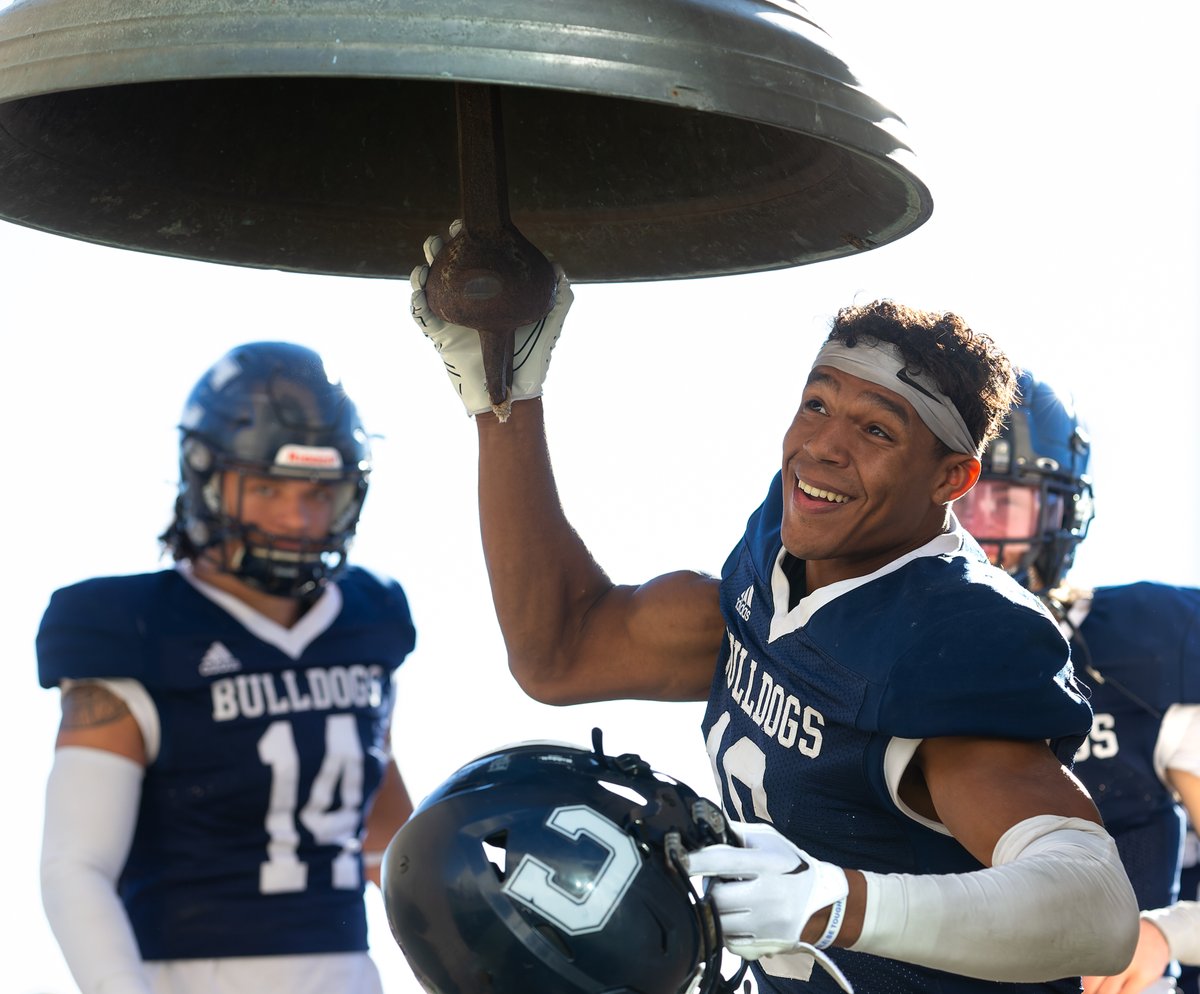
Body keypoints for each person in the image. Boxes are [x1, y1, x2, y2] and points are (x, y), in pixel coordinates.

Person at [409, 230, 1138, 993]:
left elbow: (1099, 913)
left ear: (951, 478)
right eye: (817, 404)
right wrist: (505, 402)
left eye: (877, 429)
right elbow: (561, 652)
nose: (822, 446)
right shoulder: (781, 568)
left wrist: (833, 900)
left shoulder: (943, 637)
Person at [37, 341, 418, 994]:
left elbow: (384, 829)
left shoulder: (369, 618)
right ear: (205, 478)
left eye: (319, 492)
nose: (298, 519)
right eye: (269, 488)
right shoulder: (130, 627)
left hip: (348, 976)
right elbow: (76, 865)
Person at [955, 371, 1200, 994]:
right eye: (958, 504)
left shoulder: (1145, 652)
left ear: (1058, 511)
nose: (977, 532)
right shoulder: (858, 657)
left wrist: (1166, 932)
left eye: (1004, 501)